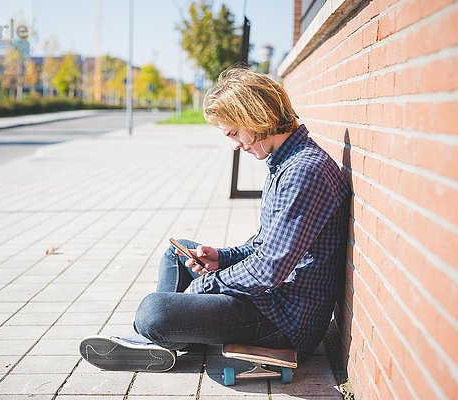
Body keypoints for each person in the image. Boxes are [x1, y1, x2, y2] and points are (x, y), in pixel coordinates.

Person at [79, 66, 351, 372]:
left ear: (255, 116)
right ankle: (168, 336)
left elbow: (269, 270)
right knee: (177, 252)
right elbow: (263, 246)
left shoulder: (303, 172)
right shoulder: (287, 162)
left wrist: (209, 284)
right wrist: (221, 258)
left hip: (283, 321)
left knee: (152, 312)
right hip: (270, 299)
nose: (235, 144)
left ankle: (162, 334)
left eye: (235, 132)